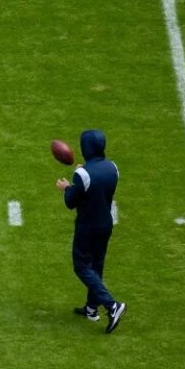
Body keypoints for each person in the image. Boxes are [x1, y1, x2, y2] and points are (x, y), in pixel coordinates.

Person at [58, 129, 125, 332]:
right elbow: (98, 188)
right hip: (105, 224)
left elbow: (71, 202)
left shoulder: (82, 174)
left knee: (81, 266)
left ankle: (112, 305)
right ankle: (91, 309)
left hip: (88, 226)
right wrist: (81, 173)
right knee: (96, 266)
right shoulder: (113, 168)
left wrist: (67, 187)